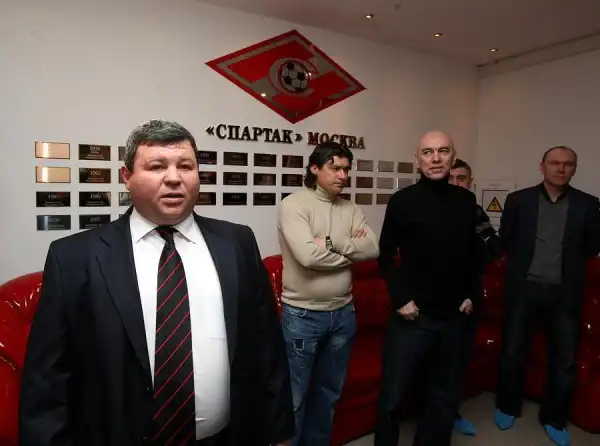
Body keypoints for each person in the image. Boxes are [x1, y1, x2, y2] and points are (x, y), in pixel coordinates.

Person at [19, 119, 294, 446]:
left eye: (185, 166)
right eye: (157, 166)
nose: (174, 178)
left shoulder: (237, 243)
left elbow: (267, 345)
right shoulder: (74, 257)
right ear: (127, 177)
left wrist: (279, 432)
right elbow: (48, 379)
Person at [374, 131, 480, 446]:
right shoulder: (403, 201)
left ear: (452, 156)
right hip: (412, 316)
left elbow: (472, 253)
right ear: (417, 160)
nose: (435, 159)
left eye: (443, 151)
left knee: (444, 397)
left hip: (454, 317)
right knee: (393, 397)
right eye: (428, 152)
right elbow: (385, 255)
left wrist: (471, 293)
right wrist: (401, 300)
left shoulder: (466, 200)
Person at [494, 145, 600, 446]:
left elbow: (592, 246)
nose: (561, 168)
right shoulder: (519, 201)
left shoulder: (588, 204)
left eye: (568, 164)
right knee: (513, 352)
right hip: (524, 291)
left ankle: (554, 418)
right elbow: (507, 240)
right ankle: (507, 406)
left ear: (574, 169)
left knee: (564, 360)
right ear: (542, 167)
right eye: (554, 163)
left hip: (565, 294)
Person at [277, 142, 379, 446]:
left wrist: (332, 242)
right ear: (315, 169)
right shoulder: (294, 205)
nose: (343, 176)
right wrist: (351, 250)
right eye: (335, 168)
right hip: (302, 316)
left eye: (346, 169)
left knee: (329, 393)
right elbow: (308, 257)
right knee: (295, 398)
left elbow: (373, 249)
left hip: (344, 314)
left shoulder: (351, 208)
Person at [448, 158, 503, 436]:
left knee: (459, 359)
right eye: (451, 178)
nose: (456, 183)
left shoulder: (475, 211)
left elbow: (492, 248)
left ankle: (452, 412)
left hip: (468, 296)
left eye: (461, 178)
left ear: (470, 182)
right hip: (437, 298)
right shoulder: (430, 207)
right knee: (435, 360)